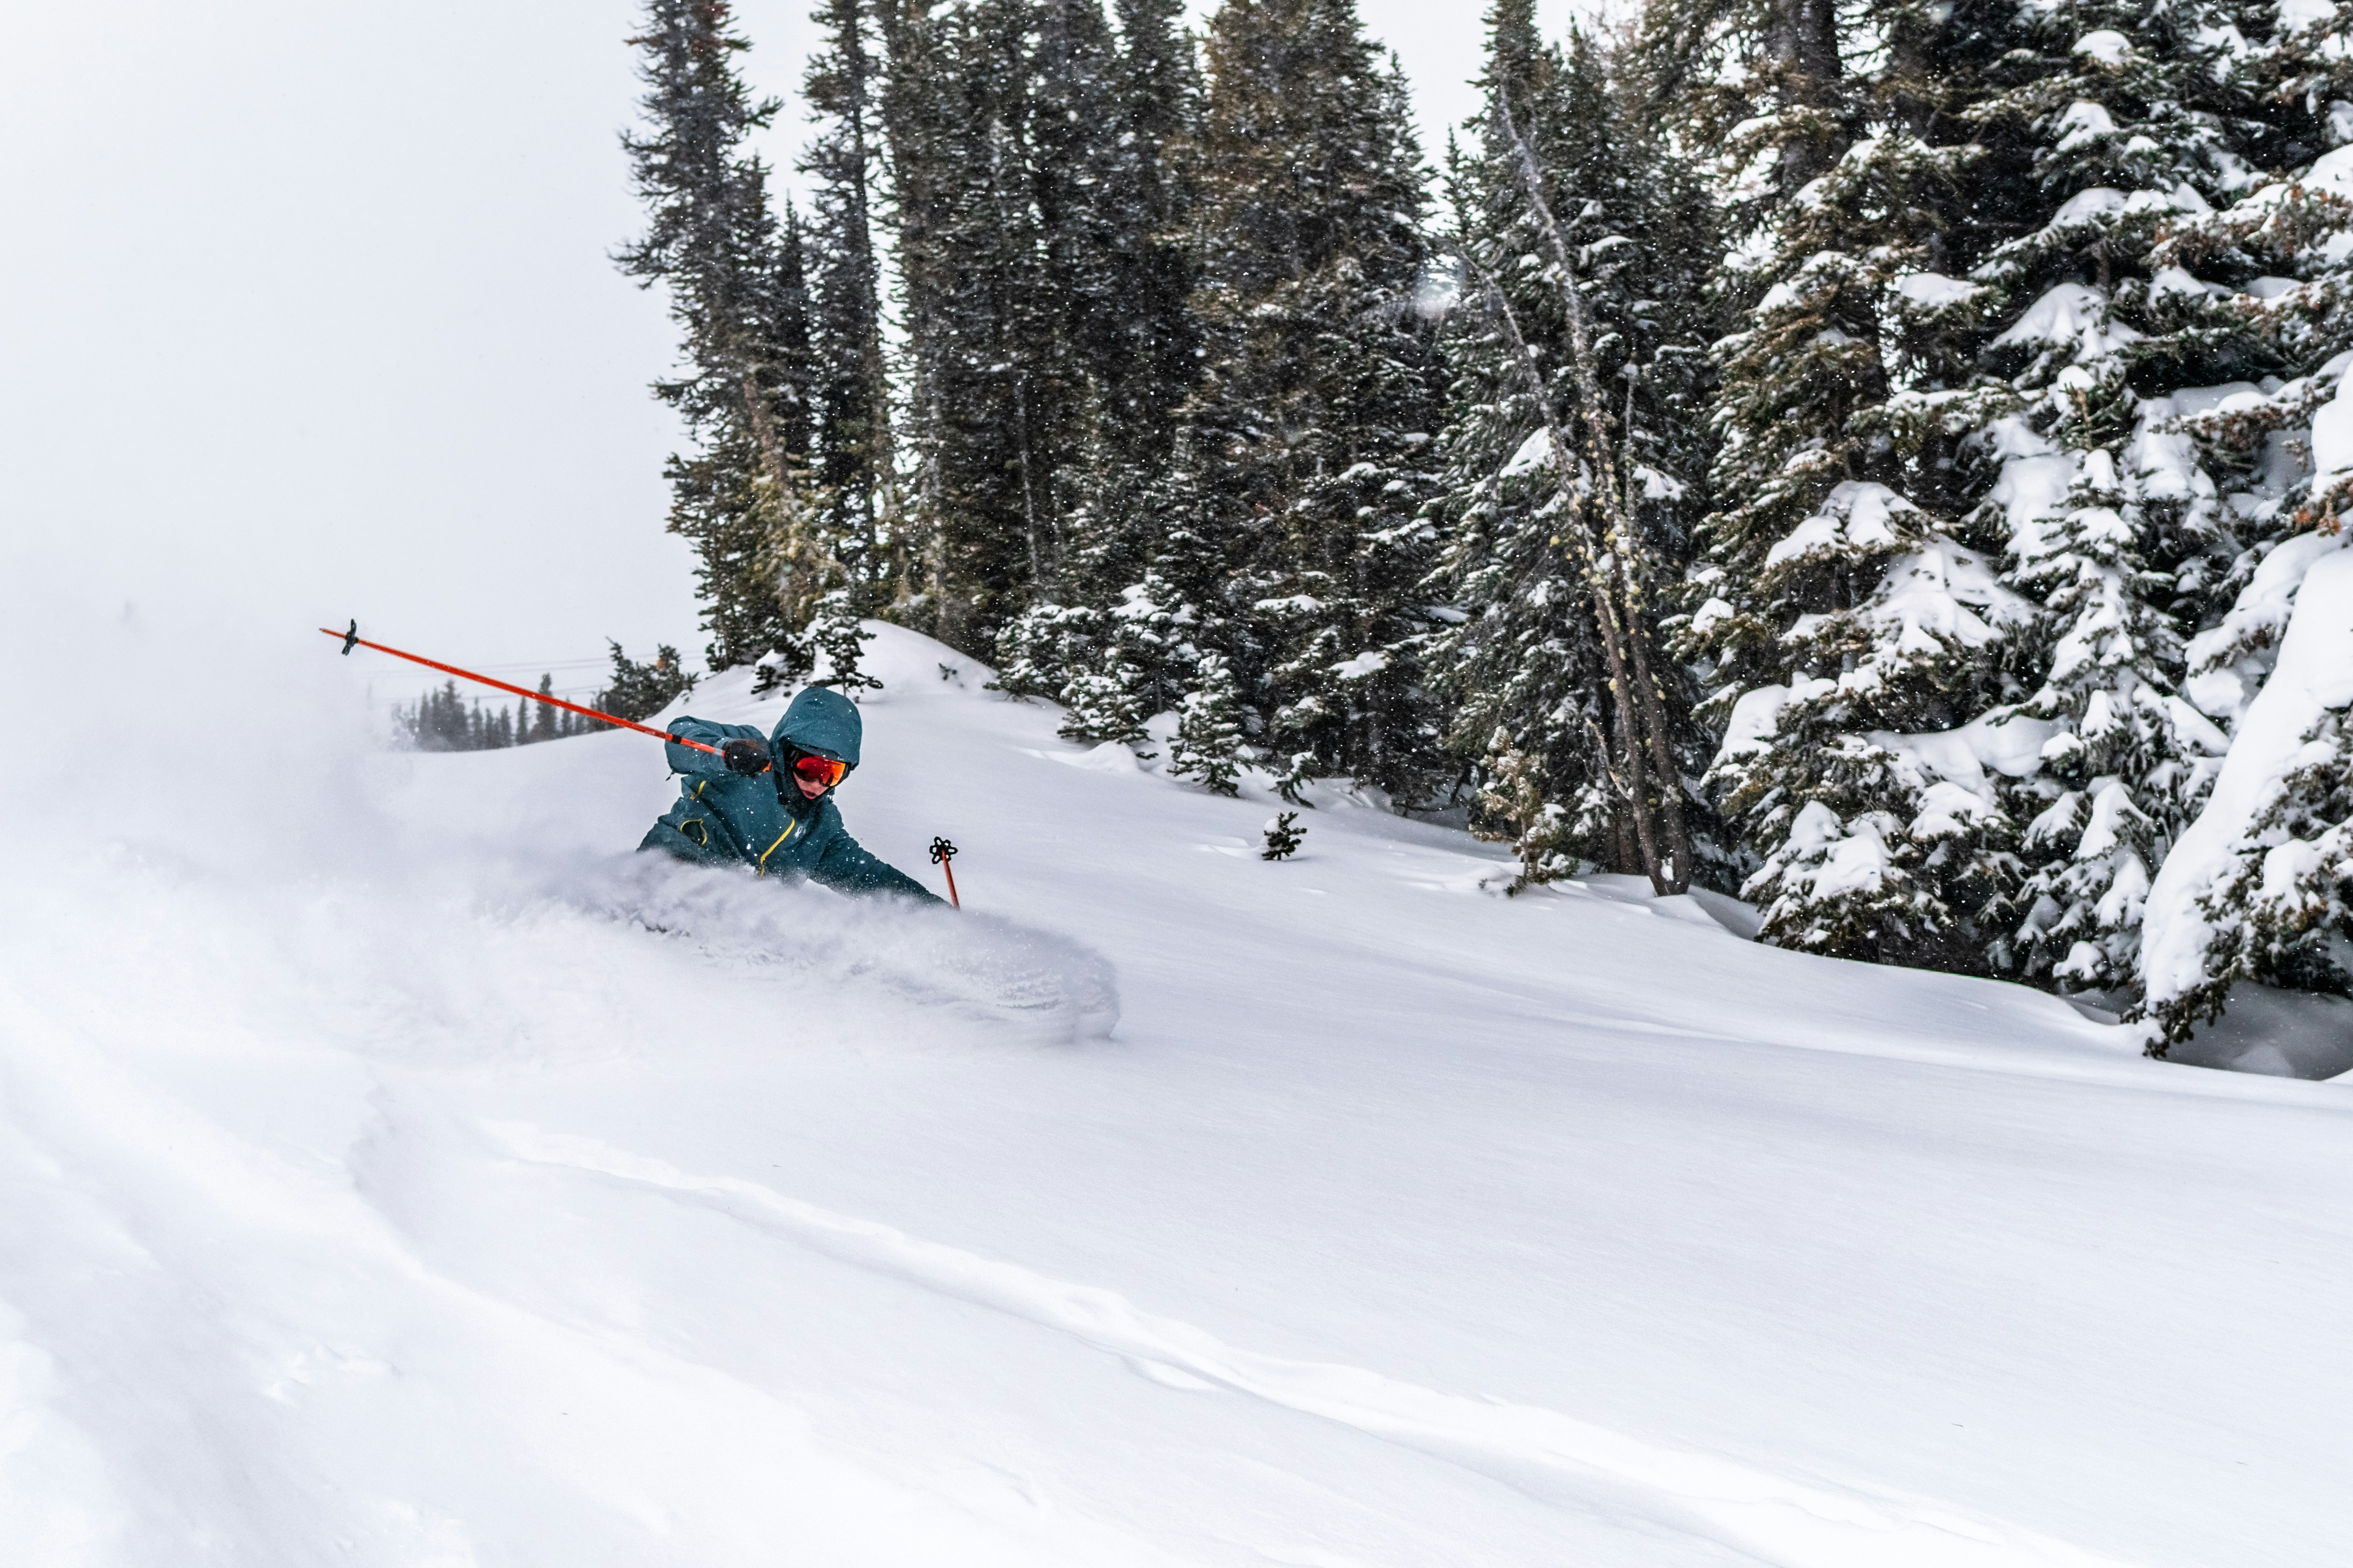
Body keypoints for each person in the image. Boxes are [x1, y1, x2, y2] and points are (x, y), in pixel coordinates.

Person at [639, 685, 942, 902]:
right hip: (666, 874)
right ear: (787, 751)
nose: (818, 783)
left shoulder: (821, 827)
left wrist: (931, 912)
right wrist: (725, 754)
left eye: (832, 774)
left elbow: (868, 876)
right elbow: (680, 736)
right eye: (811, 767)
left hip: (731, 918)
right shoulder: (751, 753)